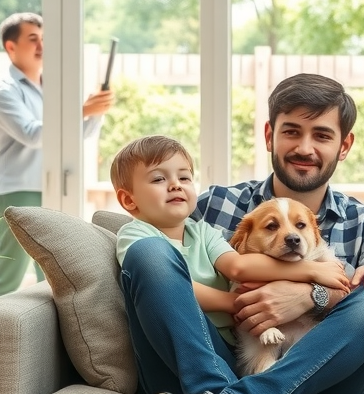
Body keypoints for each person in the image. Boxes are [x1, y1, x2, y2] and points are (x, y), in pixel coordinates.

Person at [120, 73, 364, 394]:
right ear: (270, 135)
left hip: (320, 380)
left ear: (344, 145)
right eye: (292, 132)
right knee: (148, 253)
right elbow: (159, 273)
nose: (304, 147)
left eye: (322, 135)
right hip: (221, 363)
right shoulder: (214, 206)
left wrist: (312, 296)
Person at [109, 135, 351, 356]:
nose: (175, 185)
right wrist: (236, 303)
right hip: (169, 348)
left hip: (221, 345)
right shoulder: (135, 235)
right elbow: (172, 286)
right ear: (128, 200)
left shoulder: (203, 231)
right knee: (149, 251)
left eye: (184, 177)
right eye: (159, 179)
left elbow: (238, 267)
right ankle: (213, 386)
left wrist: (311, 269)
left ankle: (229, 388)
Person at [0, 12, 114, 300]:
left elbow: (76, 134)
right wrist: (81, 110)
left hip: (51, 186)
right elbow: (32, 134)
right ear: (11, 47)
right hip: (18, 187)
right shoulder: (2, 90)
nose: (42, 45)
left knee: (52, 273)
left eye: (44, 38)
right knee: (9, 270)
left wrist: (97, 111)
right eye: (33, 39)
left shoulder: (51, 88)